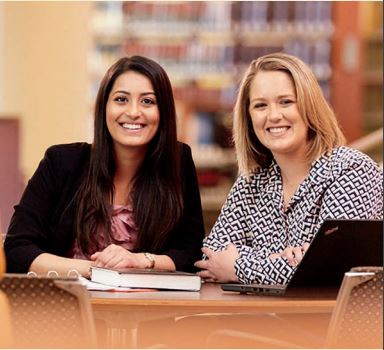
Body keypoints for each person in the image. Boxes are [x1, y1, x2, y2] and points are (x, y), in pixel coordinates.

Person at [5, 55, 205, 277]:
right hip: (66, 305)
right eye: (121, 99)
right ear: (103, 107)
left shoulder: (178, 161)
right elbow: (17, 249)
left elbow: (192, 254)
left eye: (148, 101)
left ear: (164, 112)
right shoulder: (61, 162)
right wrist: (97, 269)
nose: (133, 112)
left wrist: (139, 260)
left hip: (149, 307)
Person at [195, 52, 383, 285]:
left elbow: (335, 271)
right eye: (261, 105)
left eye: (286, 102)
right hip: (262, 320)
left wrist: (238, 265)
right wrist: (280, 260)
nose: (274, 116)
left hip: (331, 320)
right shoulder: (251, 183)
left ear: (309, 107)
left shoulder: (352, 170)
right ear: (248, 117)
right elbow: (210, 258)